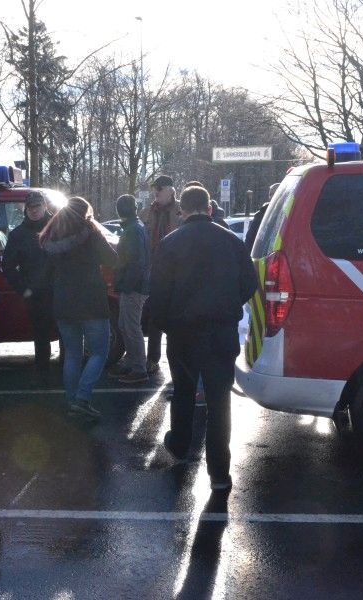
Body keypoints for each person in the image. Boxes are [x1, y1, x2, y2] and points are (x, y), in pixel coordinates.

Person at [147, 185, 258, 491]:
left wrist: (163, 324)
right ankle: (219, 472)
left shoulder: (170, 243)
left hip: (183, 332)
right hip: (221, 331)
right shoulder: (230, 241)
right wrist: (228, 303)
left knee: (183, 391)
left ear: (181, 211)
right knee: (219, 401)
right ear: (209, 209)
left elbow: (158, 293)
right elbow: (249, 282)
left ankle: (180, 446)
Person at [40, 196, 117, 418]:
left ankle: (72, 401)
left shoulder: (51, 236)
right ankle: (82, 398)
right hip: (91, 300)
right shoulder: (91, 233)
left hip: (63, 301)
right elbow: (113, 260)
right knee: (99, 352)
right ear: (85, 213)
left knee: (72, 355)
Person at [2, 191, 54, 373]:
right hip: (36, 295)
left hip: (60, 291)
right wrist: (24, 289)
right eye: (30, 207)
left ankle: (67, 375)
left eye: (37, 206)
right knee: (41, 337)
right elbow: (7, 266)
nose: (33, 211)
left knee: (67, 335)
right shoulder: (18, 234)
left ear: (45, 206)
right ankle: (43, 375)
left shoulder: (58, 227)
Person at [140, 174, 181, 375]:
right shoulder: (147, 212)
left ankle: (177, 364)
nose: (155, 192)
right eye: (154, 188)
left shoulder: (181, 210)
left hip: (178, 272)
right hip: (155, 270)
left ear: (171, 190)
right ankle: (152, 360)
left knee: (176, 318)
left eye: (160, 188)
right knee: (155, 317)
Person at [109, 194, 151, 384]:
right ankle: (131, 362)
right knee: (125, 325)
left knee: (131, 327)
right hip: (135, 286)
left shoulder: (133, 230)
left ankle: (138, 368)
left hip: (134, 287)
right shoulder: (136, 227)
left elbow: (136, 262)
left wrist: (126, 285)